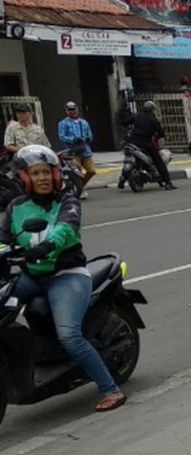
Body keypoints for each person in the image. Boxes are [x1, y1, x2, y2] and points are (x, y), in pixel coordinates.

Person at [0, 146, 124, 412]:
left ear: (55, 175)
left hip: (67, 276)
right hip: (32, 276)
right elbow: (3, 241)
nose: (42, 178)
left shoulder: (67, 201)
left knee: (70, 336)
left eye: (46, 172)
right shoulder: (15, 207)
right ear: (25, 178)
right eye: (36, 173)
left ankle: (110, 389)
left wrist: (45, 248)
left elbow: (66, 229)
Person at [129, 101, 176, 190]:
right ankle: (168, 183)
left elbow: (125, 122)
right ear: (152, 110)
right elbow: (161, 133)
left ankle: (123, 178)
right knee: (159, 162)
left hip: (133, 143)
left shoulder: (137, 116)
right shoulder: (153, 120)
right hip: (146, 144)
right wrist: (157, 137)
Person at [57, 101, 96, 198]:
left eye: (74, 109)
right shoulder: (63, 123)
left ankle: (80, 186)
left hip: (85, 150)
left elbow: (90, 135)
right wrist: (74, 140)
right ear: (66, 111)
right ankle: (80, 189)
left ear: (77, 109)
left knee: (91, 171)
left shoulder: (84, 122)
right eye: (69, 110)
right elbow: (62, 137)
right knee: (77, 172)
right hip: (72, 152)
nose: (72, 112)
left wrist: (87, 139)